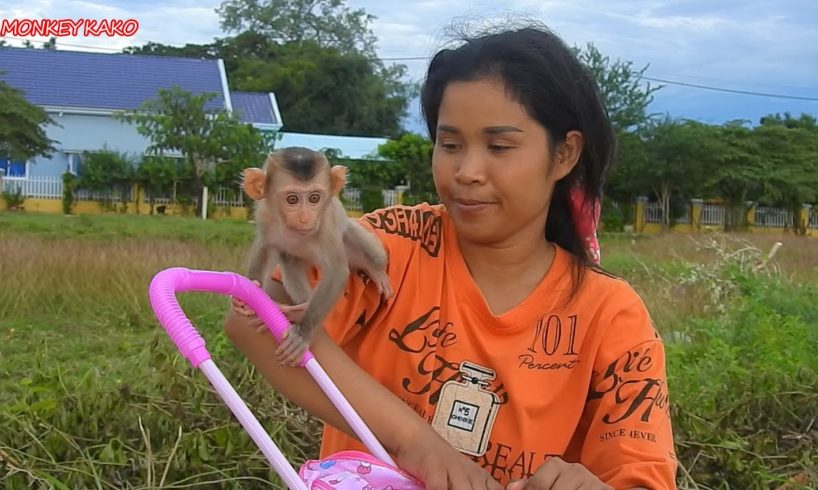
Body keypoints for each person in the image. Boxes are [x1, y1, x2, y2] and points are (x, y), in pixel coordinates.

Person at [224, 23, 677, 490]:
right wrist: (411, 439)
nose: (467, 172)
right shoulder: (395, 245)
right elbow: (252, 319)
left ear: (563, 155)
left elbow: (642, 475)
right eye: (450, 144)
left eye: (499, 147)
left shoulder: (609, 315)